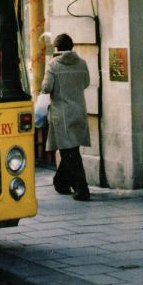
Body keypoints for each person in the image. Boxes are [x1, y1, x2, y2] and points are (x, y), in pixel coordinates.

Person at [41, 33, 91, 201]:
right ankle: (60, 182)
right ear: (72, 46)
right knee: (71, 149)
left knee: (68, 151)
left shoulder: (53, 65)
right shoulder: (82, 63)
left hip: (61, 113)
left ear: (57, 48)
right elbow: (86, 83)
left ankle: (81, 188)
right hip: (79, 110)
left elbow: (46, 88)